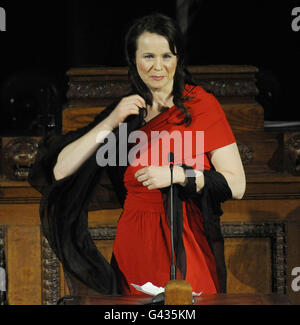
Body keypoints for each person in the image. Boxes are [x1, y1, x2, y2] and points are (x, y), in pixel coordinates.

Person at [29, 13, 246, 296]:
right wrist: (110, 122)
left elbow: (237, 185)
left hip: (185, 241)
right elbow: (61, 171)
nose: (158, 66)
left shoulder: (201, 106)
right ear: (133, 60)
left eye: (167, 56)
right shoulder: (128, 115)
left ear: (178, 58)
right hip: (133, 245)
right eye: (148, 56)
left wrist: (177, 174)